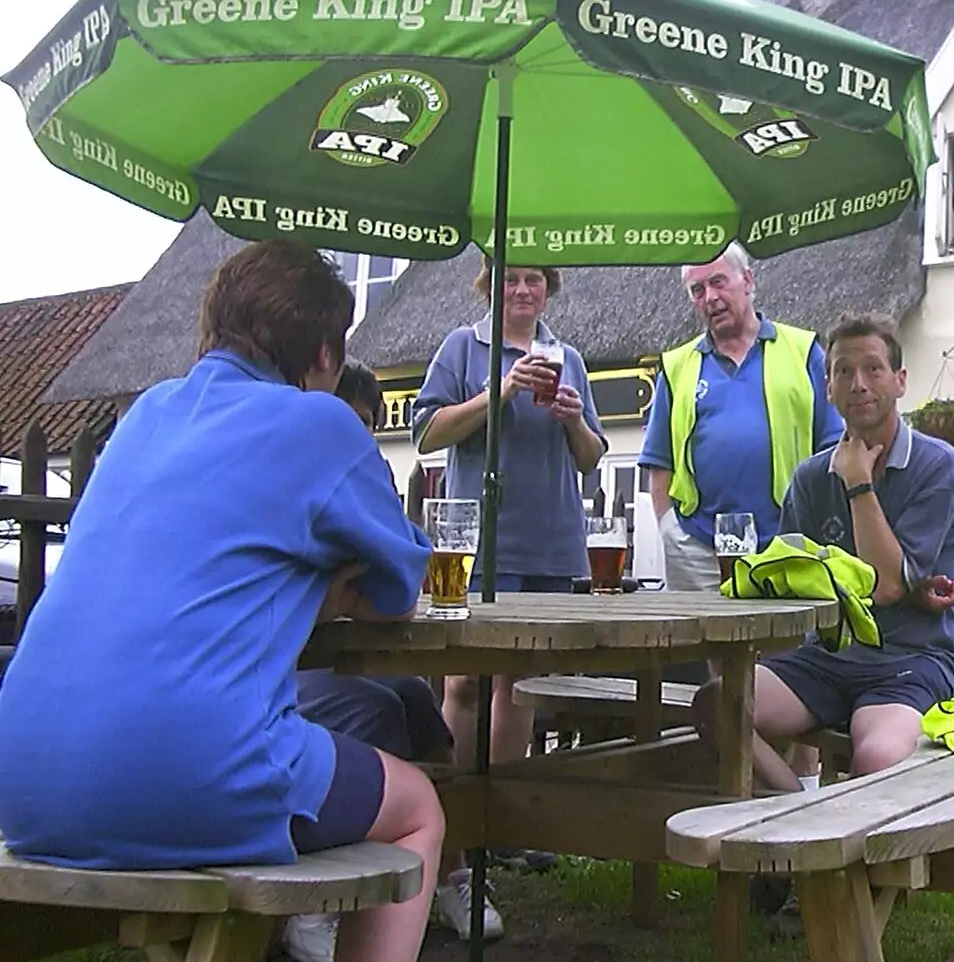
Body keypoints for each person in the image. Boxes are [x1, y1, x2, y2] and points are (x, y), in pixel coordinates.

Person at [0, 240, 443, 962]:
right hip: (185, 769)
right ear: (327, 356)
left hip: (23, 782)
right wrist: (332, 590)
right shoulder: (320, 424)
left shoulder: (145, 416)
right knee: (419, 807)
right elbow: (401, 591)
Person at [691, 310, 954, 790]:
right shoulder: (810, 478)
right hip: (826, 658)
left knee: (879, 757)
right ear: (828, 388)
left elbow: (884, 587)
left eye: (873, 368)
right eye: (844, 371)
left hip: (911, 658)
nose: (858, 383)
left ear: (900, 381)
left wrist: (859, 484)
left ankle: (821, 837)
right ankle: (800, 814)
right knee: (717, 703)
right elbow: (798, 582)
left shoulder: (937, 465)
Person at [410, 260, 607, 936]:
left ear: (549, 289)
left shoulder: (568, 357)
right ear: (488, 287)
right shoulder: (460, 349)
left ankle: (504, 823)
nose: (523, 290)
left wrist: (573, 418)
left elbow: (590, 458)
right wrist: (496, 391)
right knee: (462, 679)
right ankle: (457, 832)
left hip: (551, 540)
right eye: (511, 279)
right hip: (465, 547)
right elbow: (425, 435)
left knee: (520, 685)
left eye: (536, 280)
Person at [284, 359, 457, 962]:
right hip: (284, 677)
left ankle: (448, 873)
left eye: (367, 425)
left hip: (300, 661)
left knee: (416, 697)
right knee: (382, 716)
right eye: (350, 420)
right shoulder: (306, 448)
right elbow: (396, 584)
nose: (357, 435)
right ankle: (319, 905)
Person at [640, 242, 844, 598]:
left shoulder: (804, 351)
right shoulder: (675, 367)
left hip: (787, 542)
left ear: (748, 280)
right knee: (702, 651)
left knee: (783, 651)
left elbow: (834, 448)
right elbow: (660, 463)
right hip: (698, 550)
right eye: (698, 290)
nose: (710, 297)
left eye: (719, 282)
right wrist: (670, 528)